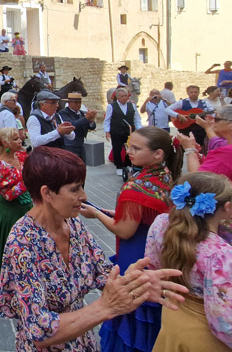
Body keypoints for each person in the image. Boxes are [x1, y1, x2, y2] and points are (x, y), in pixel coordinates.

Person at [0, 146, 187, 352]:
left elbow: (102, 272)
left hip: (80, 339)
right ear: (47, 193)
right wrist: (105, 307)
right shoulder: (22, 242)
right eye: (75, 189)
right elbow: (40, 332)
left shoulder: (73, 224)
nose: (84, 195)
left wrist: (135, 283)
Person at [81, 126, 183, 352]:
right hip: (158, 252)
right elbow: (139, 217)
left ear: (158, 154)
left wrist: (97, 214)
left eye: (137, 148)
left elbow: (124, 231)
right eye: (129, 145)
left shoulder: (135, 187)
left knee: (131, 314)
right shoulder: (168, 176)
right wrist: (115, 212)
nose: (129, 152)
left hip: (136, 255)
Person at [146, 172, 232, 351]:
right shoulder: (225, 258)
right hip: (206, 338)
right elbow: (231, 327)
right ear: (228, 207)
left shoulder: (161, 224)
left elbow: (153, 267)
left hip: (173, 319)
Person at [178, 105, 232, 289]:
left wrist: (189, 150)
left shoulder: (230, 152)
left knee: (229, 262)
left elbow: (198, 180)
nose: (213, 121)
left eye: (217, 119)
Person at [0, 127, 32, 299]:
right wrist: (28, 181)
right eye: (16, 140)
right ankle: (8, 287)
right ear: (5, 143)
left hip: (28, 209)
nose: (20, 142)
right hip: (9, 212)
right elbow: (8, 194)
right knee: (10, 248)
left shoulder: (21, 156)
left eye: (20, 139)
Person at [104, 87, 143, 176]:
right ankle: (119, 166)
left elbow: (137, 118)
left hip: (129, 131)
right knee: (117, 148)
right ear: (117, 97)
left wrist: (139, 129)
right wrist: (107, 131)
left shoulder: (132, 105)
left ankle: (128, 164)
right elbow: (107, 119)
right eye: (122, 96)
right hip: (116, 131)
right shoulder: (111, 106)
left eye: (126, 96)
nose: (125, 98)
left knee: (130, 148)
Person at [58, 92, 97, 161]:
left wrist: (91, 121)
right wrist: (86, 118)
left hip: (81, 144)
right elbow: (72, 126)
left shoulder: (81, 113)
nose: (78, 104)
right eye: (76, 102)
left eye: (79, 102)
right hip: (70, 144)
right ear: (69, 103)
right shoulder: (63, 113)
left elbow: (91, 127)